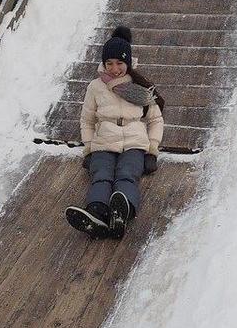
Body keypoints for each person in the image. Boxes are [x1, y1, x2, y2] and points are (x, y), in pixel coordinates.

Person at [65, 27, 164, 240]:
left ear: (127, 62)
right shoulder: (95, 87)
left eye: (119, 63)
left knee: (127, 174)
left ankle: (122, 210)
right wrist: (89, 147)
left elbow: (155, 119)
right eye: (109, 63)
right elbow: (87, 119)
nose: (115, 68)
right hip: (104, 140)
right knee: (101, 175)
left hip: (135, 141)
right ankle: (97, 213)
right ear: (103, 63)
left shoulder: (140, 86)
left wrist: (152, 150)